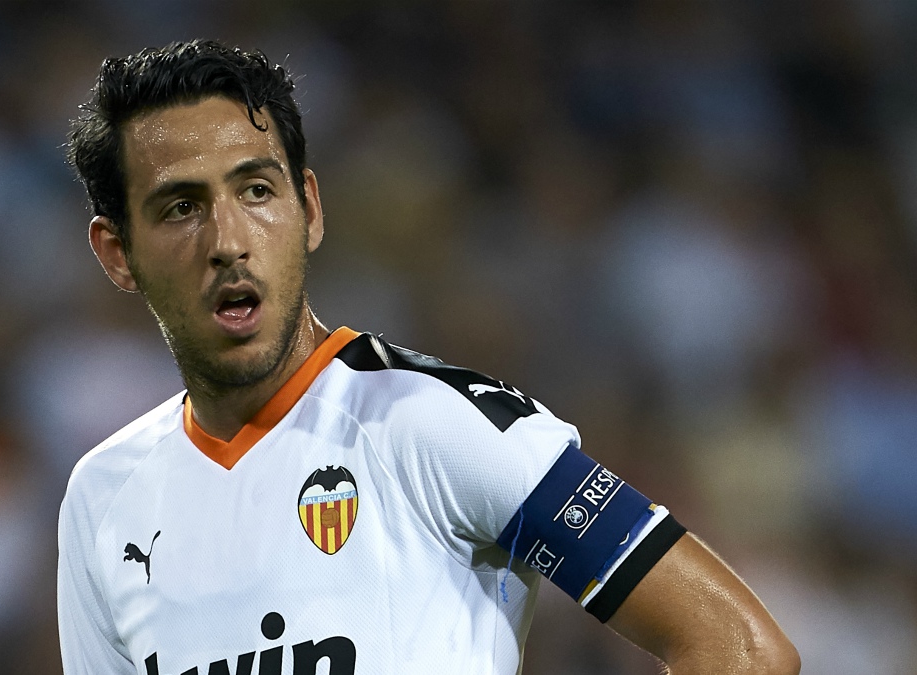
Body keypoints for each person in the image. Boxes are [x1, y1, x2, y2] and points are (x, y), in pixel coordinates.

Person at [57, 39, 800, 675]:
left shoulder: (437, 423)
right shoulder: (102, 498)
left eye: (256, 189)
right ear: (116, 252)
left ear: (309, 210)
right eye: (181, 206)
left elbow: (738, 647)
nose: (228, 239)